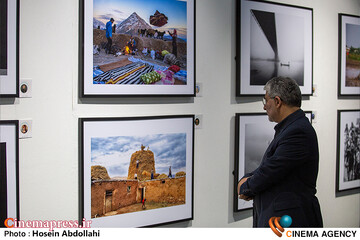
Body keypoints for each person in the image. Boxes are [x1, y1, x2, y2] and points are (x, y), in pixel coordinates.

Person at [237, 76, 323, 228]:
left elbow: (271, 170)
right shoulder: (291, 128)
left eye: (266, 101)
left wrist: (246, 186)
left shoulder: (297, 132)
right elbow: (270, 166)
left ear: (277, 101)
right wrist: (248, 179)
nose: (264, 107)